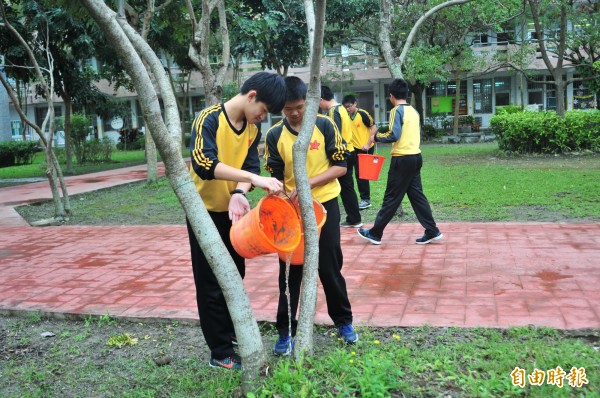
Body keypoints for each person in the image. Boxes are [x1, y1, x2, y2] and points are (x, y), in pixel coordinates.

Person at [187, 72, 286, 370]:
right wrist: (253, 179)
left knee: (234, 273)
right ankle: (220, 353)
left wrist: (240, 192)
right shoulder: (209, 119)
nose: (262, 118)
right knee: (210, 283)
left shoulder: (251, 130)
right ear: (252, 95)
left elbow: (249, 165)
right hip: (202, 212)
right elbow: (204, 164)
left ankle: (228, 331)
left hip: (232, 212)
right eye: (264, 111)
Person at [264, 76, 358, 355]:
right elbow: (277, 178)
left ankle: (343, 322)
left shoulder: (324, 125)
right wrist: (279, 197)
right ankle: (285, 332)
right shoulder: (274, 136)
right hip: (292, 212)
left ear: (310, 102)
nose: (295, 113)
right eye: (289, 108)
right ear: (281, 107)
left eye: (301, 106)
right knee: (289, 273)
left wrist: (307, 184)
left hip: (325, 205)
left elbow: (341, 166)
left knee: (329, 268)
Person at [357, 78, 443, 246]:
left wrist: (375, 137)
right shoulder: (414, 111)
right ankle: (432, 230)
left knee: (391, 197)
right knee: (417, 196)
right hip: (416, 157)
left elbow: (394, 135)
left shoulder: (397, 111)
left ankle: (375, 233)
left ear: (391, 96)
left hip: (402, 159)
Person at [320, 85, 362, 228]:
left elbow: (334, 133)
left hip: (341, 153)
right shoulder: (342, 108)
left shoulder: (333, 111)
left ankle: (346, 219)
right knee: (347, 187)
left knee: (332, 187)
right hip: (350, 150)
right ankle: (354, 218)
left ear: (320, 99)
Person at [342, 95, 378, 210]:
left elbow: (374, 127)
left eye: (350, 106)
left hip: (365, 148)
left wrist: (368, 144)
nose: (348, 109)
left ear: (355, 104)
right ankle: (354, 199)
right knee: (350, 173)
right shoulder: (346, 116)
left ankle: (366, 200)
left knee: (361, 174)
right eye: (346, 107)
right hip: (353, 148)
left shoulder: (362, 114)